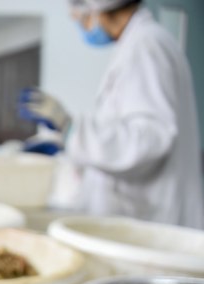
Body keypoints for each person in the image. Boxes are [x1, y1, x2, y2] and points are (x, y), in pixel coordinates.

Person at [19, 0, 203, 229]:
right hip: (140, 213)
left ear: (97, 9)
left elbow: (150, 140)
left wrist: (70, 128)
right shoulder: (137, 44)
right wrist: (67, 143)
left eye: (79, 14)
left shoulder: (147, 45)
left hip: (151, 219)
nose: (77, 21)